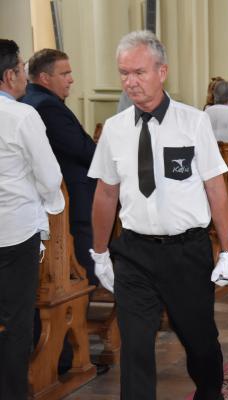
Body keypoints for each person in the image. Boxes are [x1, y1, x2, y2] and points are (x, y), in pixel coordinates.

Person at [88, 30, 228, 400]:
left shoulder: (193, 123)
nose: (130, 81)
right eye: (123, 73)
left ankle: (210, 392)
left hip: (187, 253)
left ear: (162, 71)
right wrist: (100, 251)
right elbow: (106, 194)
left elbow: (216, 189)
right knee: (135, 347)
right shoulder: (114, 129)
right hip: (135, 253)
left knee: (200, 340)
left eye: (138, 72)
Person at [0, 38, 65, 400]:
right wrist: (52, 204)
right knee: (14, 323)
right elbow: (50, 175)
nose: (25, 76)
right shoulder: (22, 115)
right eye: (22, 69)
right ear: (10, 75)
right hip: (13, 233)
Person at [21, 49, 98, 287]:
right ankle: (87, 294)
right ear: (45, 78)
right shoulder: (46, 105)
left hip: (59, 195)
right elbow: (79, 148)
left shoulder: (31, 100)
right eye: (65, 73)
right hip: (71, 195)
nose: (71, 79)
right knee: (84, 257)